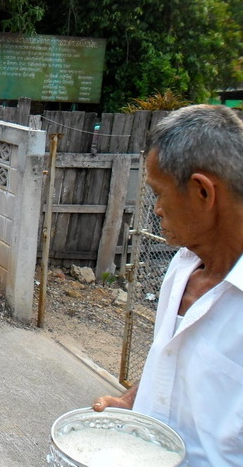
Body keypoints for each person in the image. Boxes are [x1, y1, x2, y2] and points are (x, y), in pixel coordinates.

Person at [93, 104, 243, 466]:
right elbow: (173, 359)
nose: (156, 209)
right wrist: (133, 400)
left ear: (203, 192)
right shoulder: (183, 265)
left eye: (159, 193)